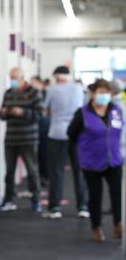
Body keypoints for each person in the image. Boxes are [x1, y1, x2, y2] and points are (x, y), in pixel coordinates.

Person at [68, 79, 124, 242]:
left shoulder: (116, 111)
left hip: (113, 159)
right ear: (93, 93)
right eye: (100, 92)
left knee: (117, 194)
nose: (104, 96)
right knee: (95, 195)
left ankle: (118, 224)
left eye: (107, 93)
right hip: (91, 161)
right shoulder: (83, 113)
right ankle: (96, 227)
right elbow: (72, 134)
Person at [42, 66, 89, 219]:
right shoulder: (78, 88)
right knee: (79, 171)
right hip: (77, 134)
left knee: (56, 172)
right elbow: (83, 109)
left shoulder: (52, 89)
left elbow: (45, 110)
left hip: (57, 133)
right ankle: (83, 206)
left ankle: (55, 207)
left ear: (56, 76)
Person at [0, 68, 43, 212]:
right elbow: (1, 114)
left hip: (29, 138)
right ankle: (8, 199)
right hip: (11, 138)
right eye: (11, 78)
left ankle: (36, 201)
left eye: (15, 78)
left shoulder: (34, 93)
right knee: (9, 171)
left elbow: (40, 115)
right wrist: (5, 112)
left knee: (32, 170)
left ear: (23, 78)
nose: (13, 81)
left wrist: (22, 112)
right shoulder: (8, 93)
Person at [32, 75, 51, 186]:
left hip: (45, 128)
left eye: (34, 82)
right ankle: (40, 177)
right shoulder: (33, 94)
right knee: (37, 155)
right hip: (36, 129)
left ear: (40, 83)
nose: (33, 85)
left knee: (44, 154)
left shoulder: (46, 94)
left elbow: (46, 111)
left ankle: (45, 176)